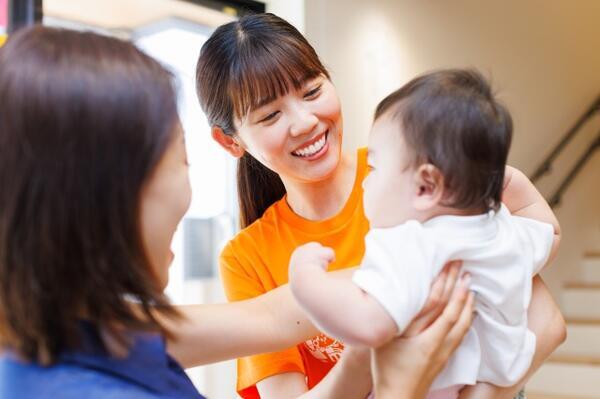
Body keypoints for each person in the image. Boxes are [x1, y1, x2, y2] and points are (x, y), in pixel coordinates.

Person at [0, 25, 475, 399]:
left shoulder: (76, 332)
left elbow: (270, 317)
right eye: (181, 158)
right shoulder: (83, 368)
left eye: (310, 91)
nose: (304, 122)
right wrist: (388, 381)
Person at [195, 12, 566, 399]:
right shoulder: (246, 258)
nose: (304, 121)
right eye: (271, 115)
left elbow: (546, 320)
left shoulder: (411, 180)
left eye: (311, 92)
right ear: (230, 141)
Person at [288, 69, 561, 399]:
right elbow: (549, 230)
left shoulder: (412, 243)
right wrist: (511, 183)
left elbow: (368, 324)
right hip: (498, 382)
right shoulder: (501, 230)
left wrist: (304, 279)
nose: (364, 181)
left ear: (426, 185)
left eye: (373, 167)